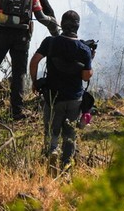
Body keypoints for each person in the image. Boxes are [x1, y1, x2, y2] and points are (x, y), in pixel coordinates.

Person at [30, 10, 94, 173]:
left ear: (62, 24)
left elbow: (35, 60)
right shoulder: (84, 50)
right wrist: (90, 59)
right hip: (74, 99)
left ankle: (52, 154)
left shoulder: (50, 42)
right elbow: (86, 77)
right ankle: (66, 166)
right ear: (77, 27)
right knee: (70, 135)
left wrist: (35, 82)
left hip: (53, 96)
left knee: (52, 130)